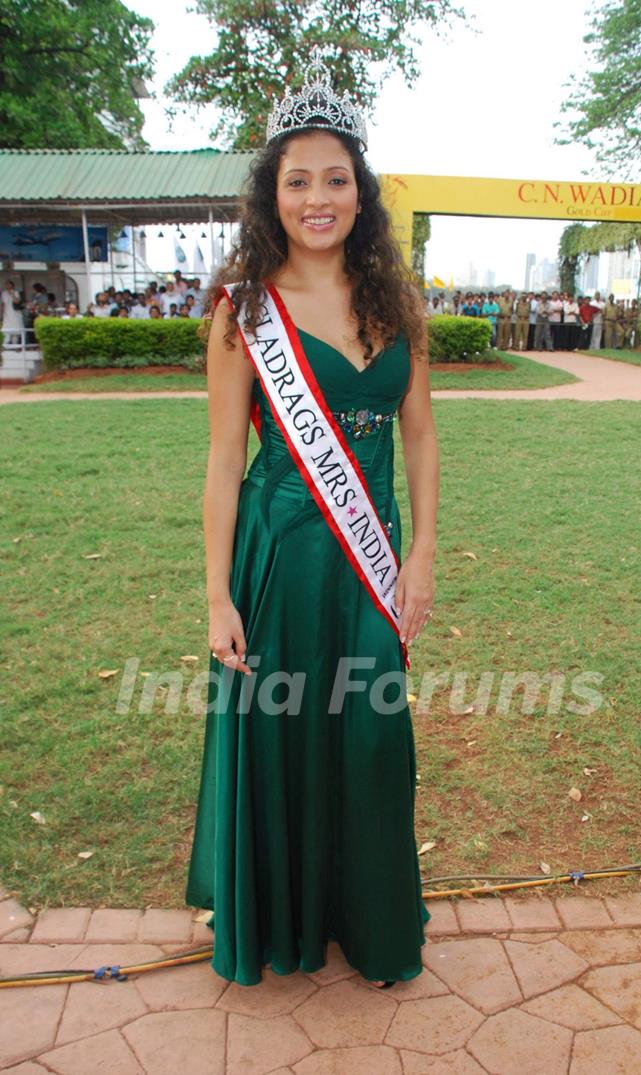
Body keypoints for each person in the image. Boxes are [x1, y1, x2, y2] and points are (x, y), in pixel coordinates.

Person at [184, 49, 439, 989]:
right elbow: (221, 462)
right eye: (299, 181)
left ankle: (369, 923)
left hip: (367, 559)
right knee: (288, 730)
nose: (318, 198)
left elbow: (420, 438)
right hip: (283, 553)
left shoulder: (396, 301)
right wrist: (216, 594)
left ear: (362, 195)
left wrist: (420, 554)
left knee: (372, 734)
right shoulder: (244, 311)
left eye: (337, 179)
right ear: (273, 193)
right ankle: (286, 921)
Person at [2, 279, 25, 345]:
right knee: (6, 328)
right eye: (6, 284)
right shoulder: (4, 293)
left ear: (12, 285)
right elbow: (3, 304)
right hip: (7, 313)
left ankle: (15, 344)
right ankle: (5, 344)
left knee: (16, 327)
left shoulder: (16, 292)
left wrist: (12, 294)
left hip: (15, 313)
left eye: (9, 284)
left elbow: (17, 301)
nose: (7, 285)